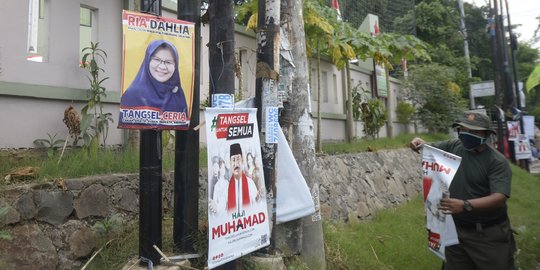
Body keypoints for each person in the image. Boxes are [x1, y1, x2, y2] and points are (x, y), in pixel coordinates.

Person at [410, 111, 516, 270]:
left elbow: (499, 197)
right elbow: (430, 149)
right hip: (454, 232)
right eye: (463, 130)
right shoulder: (454, 146)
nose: (467, 134)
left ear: (486, 134)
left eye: (474, 131)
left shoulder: (496, 162)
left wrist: (466, 205)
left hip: (487, 235)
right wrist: (418, 144)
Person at [119, 39, 188, 126]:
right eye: (157, 59)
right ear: (147, 60)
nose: (162, 66)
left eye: (168, 62)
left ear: (175, 65)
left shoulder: (178, 95)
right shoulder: (133, 93)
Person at [227, 143, 258, 214]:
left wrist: (258, 198)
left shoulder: (250, 183)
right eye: (233, 160)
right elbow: (221, 207)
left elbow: (256, 204)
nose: (236, 164)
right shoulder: (226, 187)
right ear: (230, 163)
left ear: (243, 160)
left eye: (238, 159)